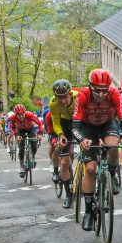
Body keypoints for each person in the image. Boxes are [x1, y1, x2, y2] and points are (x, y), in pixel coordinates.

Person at [72, 69, 122, 231]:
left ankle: (112, 174)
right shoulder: (82, 95)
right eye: (97, 90)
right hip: (87, 128)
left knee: (113, 146)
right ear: (90, 86)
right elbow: (75, 126)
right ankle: (89, 211)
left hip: (107, 124)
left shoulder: (114, 93)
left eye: (104, 90)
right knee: (90, 169)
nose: (100, 94)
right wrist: (81, 140)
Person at [49, 79, 78, 209]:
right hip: (65, 125)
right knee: (64, 162)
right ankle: (69, 195)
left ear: (70, 94)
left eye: (65, 97)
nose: (63, 101)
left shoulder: (79, 97)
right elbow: (55, 122)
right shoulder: (53, 104)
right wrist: (60, 135)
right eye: (59, 98)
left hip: (80, 122)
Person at [9, 104, 43, 178]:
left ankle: (33, 157)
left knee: (34, 144)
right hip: (20, 130)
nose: (21, 116)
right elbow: (12, 127)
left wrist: (39, 134)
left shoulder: (29, 115)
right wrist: (16, 135)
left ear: (25, 112)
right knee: (21, 147)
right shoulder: (13, 118)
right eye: (19, 114)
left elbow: (39, 123)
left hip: (30, 129)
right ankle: (21, 167)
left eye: (22, 114)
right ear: (15, 114)